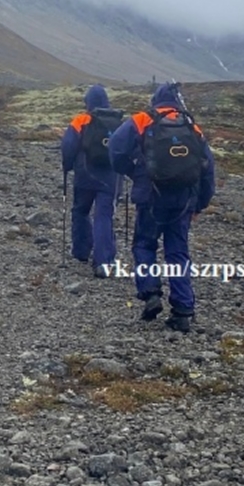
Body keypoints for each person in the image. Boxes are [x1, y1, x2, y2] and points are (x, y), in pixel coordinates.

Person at [110, 81, 216, 333]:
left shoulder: (141, 120)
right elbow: (208, 169)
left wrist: (133, 171)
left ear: (155, 99)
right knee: (177, 252)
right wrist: (199, 204)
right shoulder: (192, 126)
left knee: (144, 244)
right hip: (183, 199)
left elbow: (115, 148)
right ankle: (182, 310)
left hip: (150, 195)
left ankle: (150, 294)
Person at [60, 85, 125, 277]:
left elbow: (68, 146)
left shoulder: (81, 120)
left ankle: (81, 251)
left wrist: (67, 166)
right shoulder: (118, 122)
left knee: (80, 211)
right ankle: (103, 262)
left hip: (85, 175)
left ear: (87, 101)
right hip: (111, 179)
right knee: (103, 216)